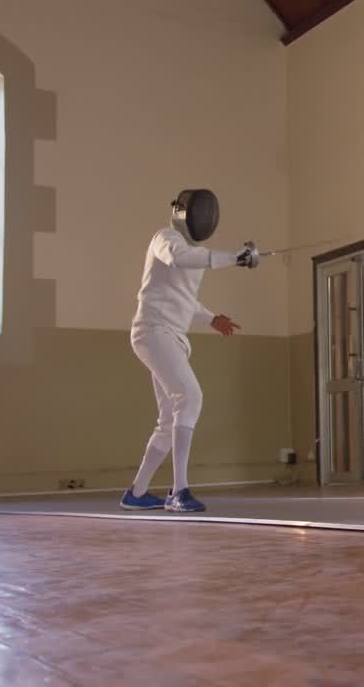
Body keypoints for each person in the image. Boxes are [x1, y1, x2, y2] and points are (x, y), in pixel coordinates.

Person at [120, 189, 259, 513]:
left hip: (170, 335)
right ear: (184, 213)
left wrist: (212, 318)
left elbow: (183, 298)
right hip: (153, 331)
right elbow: (179, 258)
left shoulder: (192, 254)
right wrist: (235, 258)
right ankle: (179, 491)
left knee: (168, 419)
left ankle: (137, 493)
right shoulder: (165, 238)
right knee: (191, 397)